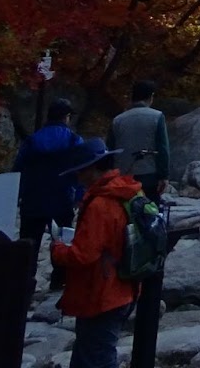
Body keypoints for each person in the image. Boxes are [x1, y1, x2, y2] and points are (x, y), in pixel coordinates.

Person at [51, 139, 142, 368]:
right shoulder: (125, 191)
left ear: (92, 169)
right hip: (124, 287)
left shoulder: (100, 204)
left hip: (102, 294)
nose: (78, 177)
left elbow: (83, 255)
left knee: (97, 357)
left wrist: (58, 249)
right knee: (93, 353)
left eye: (80, 171)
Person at [16, 99, 84, 288]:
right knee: (62, 241)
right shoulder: (73, 140)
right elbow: (82, 171)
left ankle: (24, 283)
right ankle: (59, 281)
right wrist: (80, 196)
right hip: (62, 199)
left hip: (33, 200)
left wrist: (17, 196)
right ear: (66, 117)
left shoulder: (33, 140)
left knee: (29, 244)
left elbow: (19, 169)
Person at [109, 80, 169, 202]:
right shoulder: (157, 116)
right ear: (151, 96)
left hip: (122, 176)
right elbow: (162, 148)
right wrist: (164, 175)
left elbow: (110, 149)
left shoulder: (117, 120)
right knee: (149, 213)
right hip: (149, 174)